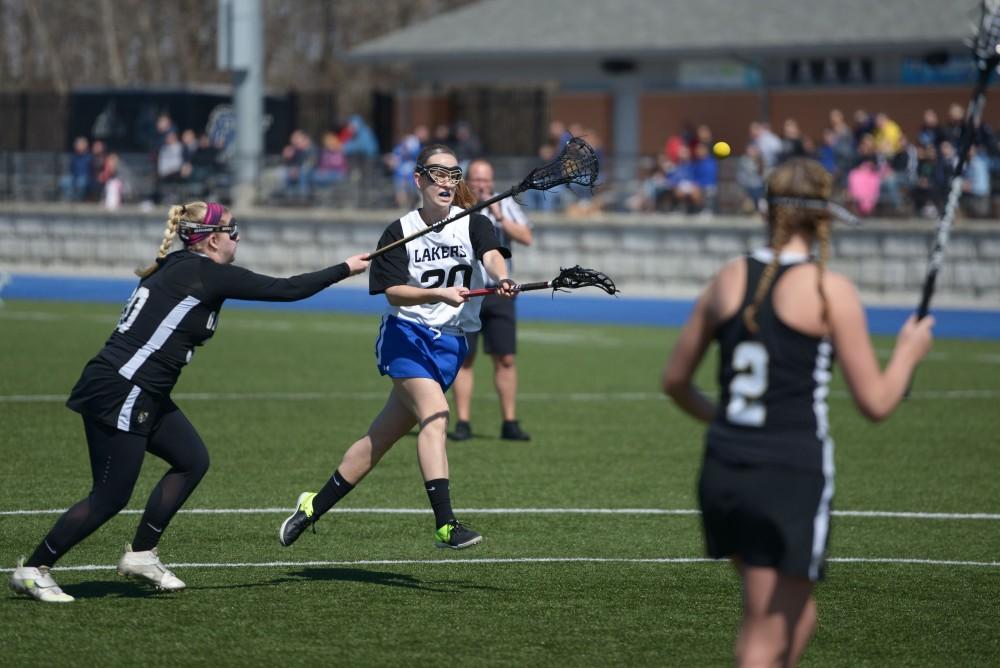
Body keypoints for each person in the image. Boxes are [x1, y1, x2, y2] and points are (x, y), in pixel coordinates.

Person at [9, 201, 369, 603]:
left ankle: (142, 554)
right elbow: (286, 289)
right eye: (234, 231)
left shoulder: (181, 264)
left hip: (136, 388)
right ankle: (34, 568)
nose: (238, 237)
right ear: (212, 240)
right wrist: (344, 268)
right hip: (126, 388)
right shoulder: (207, 274)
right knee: (110, 496)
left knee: (191, 459)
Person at [662, 158, 934, 667]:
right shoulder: (830, 290)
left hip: (724, 468)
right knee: (764, 631)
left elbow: (675, 382)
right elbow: (876, 403)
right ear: (822, 217)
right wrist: (909, 352)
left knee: (798, 616)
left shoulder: (729, 277)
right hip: (786, 472)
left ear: (767, 210)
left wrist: (725, 420)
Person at [278, 144, 516, 551]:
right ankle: (445, 525)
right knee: (436, 416)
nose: (446, 182)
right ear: (418, 178)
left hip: (451, 344)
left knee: (380, 440)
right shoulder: (399, 232)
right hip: (406, 335)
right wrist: (438, 294)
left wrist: (502, 276)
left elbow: (491, 255)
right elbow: (392, 293)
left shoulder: (473, 224)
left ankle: (312, 506)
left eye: (453, 175)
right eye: (437, 174)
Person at [449, 159, 534, 442]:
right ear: (467, 182)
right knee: (466, 358)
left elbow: (526, 237)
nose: (482, 185)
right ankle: (463, 421)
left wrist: (499, 216)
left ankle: (509, 421)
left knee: (505, 357)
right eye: (476, 180)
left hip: (500, 291)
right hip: (468, 292)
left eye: (486, 180)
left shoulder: (506, 204)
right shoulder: (457, 208)